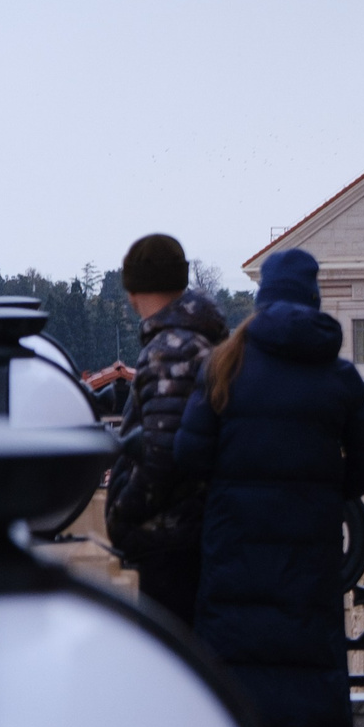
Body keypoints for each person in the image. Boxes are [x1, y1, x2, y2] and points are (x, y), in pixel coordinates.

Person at [177, 247, 364, 727]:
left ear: (262, 299)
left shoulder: (226, 363)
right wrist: (326, 487)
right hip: (307, 565)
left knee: (238, 710)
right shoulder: (337, 375)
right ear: (313, 299)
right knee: (302, 715)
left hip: (234, 558)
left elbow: (188, 455)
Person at [105, 233, 229, 625]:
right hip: (190, 531)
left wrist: (124, 510)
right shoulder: (198, 337)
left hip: (166, 537)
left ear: (133, 289)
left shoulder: (169, 348)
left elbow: (163, 453)